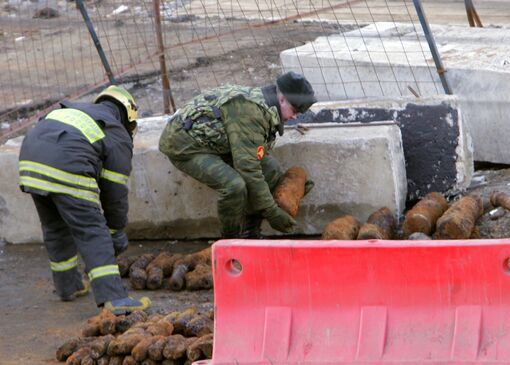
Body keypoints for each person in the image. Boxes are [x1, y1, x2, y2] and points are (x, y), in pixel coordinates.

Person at [18, 85, 150, 315]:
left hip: (30, 164)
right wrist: (115, 230)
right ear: (128, 116)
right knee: (92, 230)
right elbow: (114, 192)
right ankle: (114, 299)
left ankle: (68, 286)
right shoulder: (116, 131)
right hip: (66, 164)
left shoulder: (78, 110)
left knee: (55, 227)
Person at [159, 71, 317, 238]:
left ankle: (250, 232)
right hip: (186, 145)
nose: (296, 116)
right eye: (295, 109)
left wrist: (296, 187)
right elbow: (248, 170)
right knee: (233, 186)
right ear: (282, 98)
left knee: (271, 170)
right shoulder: (250, 112)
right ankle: (231, 241)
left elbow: (255, 159)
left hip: (217, 143)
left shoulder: (267, 108)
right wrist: (271, 212)